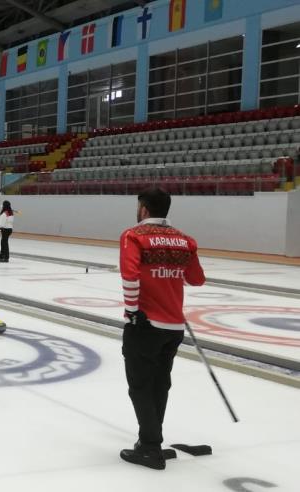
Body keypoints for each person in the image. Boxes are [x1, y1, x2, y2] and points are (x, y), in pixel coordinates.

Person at [119, 188, 205, 470]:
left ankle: (150, 447)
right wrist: (170, 274)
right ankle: (150, 440)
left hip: (145, 324)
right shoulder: (185, 240)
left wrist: (132, 312)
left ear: (143, 209)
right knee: (160, 384)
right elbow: (196, 279)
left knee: (140, 386)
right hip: (173, 326)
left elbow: (130, 275)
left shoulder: (134, 236)